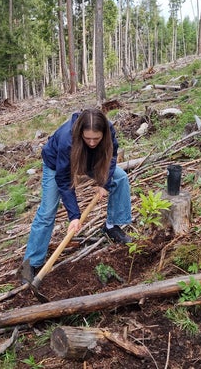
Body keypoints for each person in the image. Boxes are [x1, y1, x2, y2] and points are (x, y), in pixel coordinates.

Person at [22, 108, 132, 277]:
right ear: (80, 132)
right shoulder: (67, 139)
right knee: (47, 211)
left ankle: (111, 226)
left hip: (91, 160)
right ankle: (31, 263)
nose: (93, 142)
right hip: (56, 163)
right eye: (88, 138)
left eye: (97, 138)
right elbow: (64, 180)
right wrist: (74, 216)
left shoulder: (109, 130)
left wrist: (104, 183)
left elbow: (111, 156)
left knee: (121, 178)